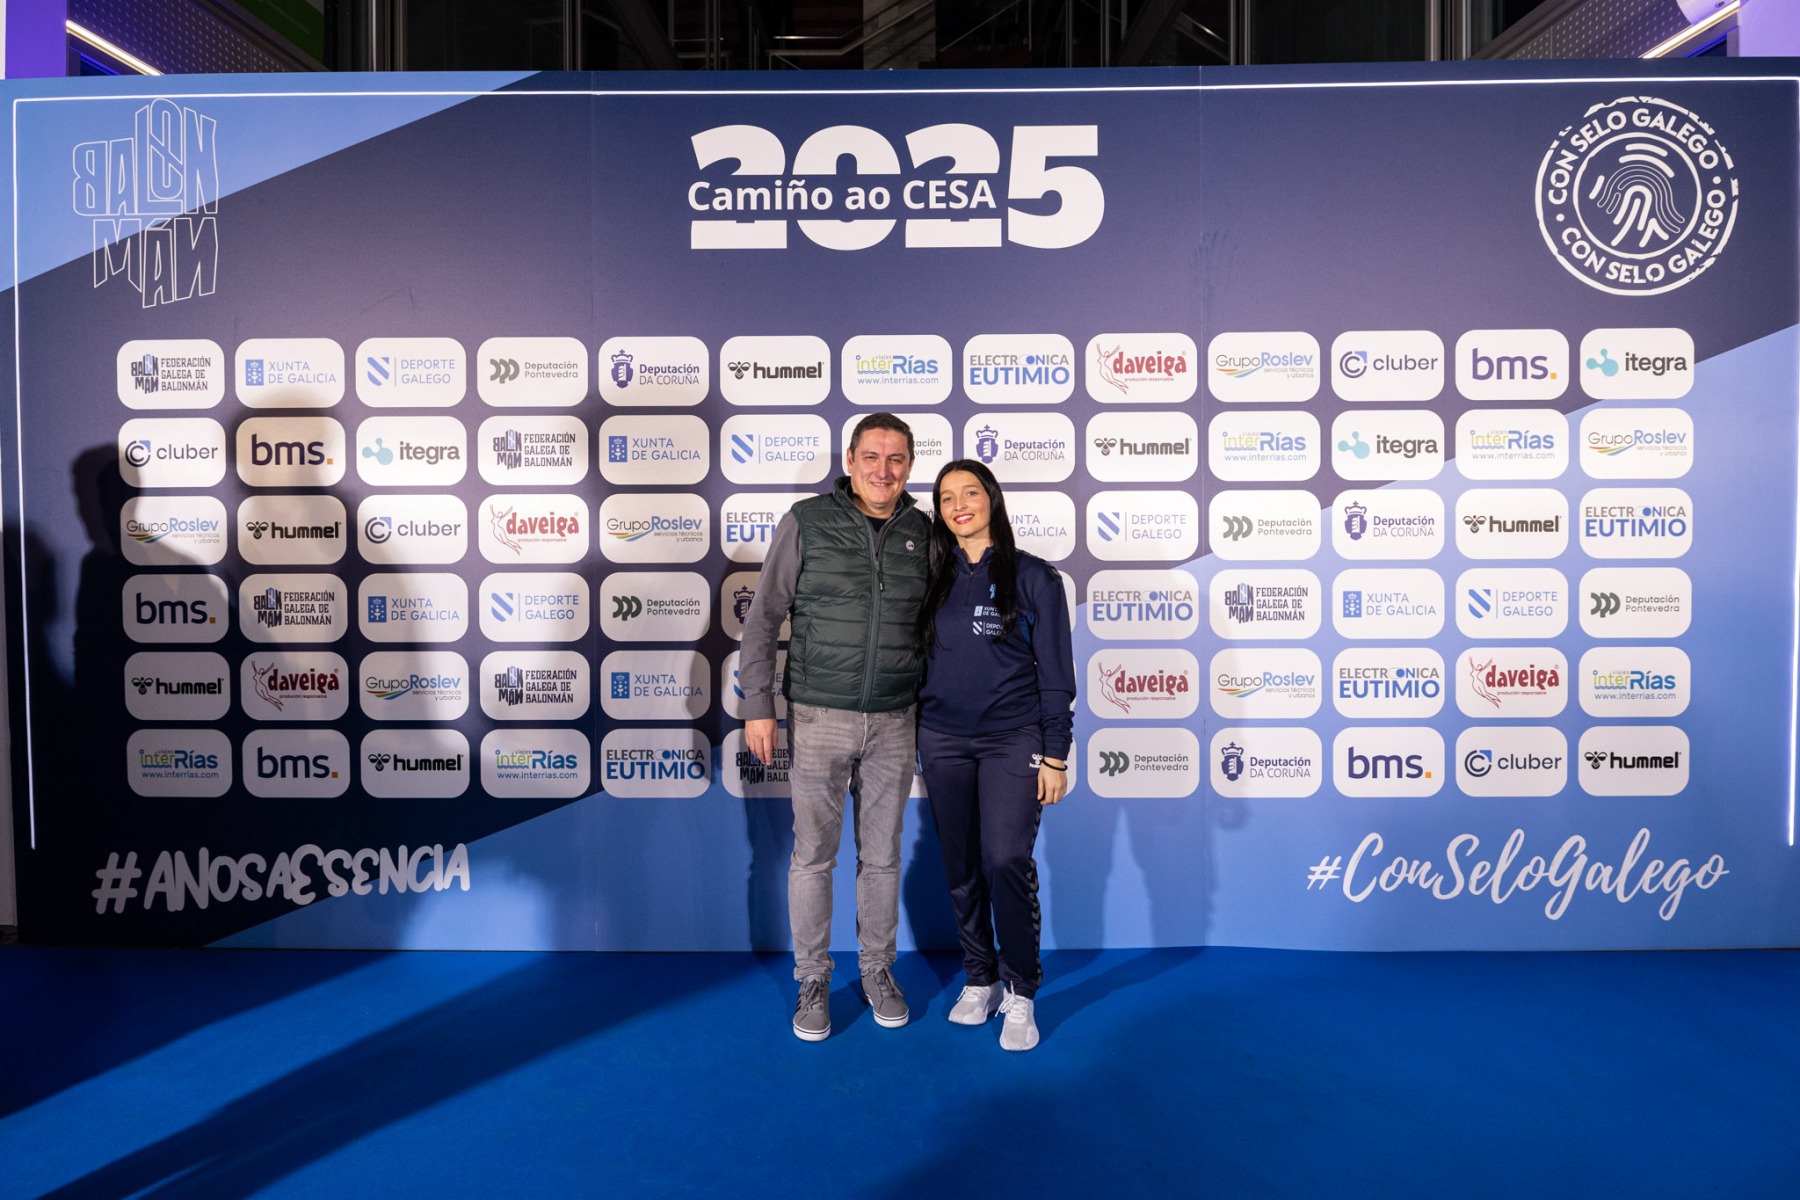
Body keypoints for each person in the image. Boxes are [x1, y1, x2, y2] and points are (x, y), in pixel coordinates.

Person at [738, 412, 931, 1042]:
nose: (883, 470)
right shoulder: (807, 520)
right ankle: (813, 978)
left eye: (896, 459)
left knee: (882, 857)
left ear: (909, 465)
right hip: (819, 715)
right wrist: (758, 705)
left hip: (895, 720)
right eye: (871, 456)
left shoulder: (923, 531)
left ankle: (878, 970)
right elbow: (764, 617)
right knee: (813, 857)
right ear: (850, 461)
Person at [915, 459, 1075, 1052]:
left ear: (992, 499)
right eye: (947, 497)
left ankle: (1020, 989)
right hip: (942, 739)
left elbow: (1056, 675)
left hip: (1015, 738)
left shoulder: (1033, 576)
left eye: (970, 493)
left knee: (1005, 858)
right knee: (960, 864)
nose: (959, 505)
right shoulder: (930, 577)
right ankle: (979, 976)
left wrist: (1055, 754)